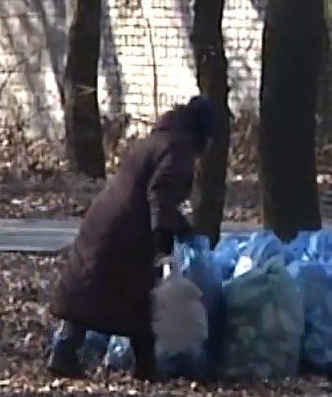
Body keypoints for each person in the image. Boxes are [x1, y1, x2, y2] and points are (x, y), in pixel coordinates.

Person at [47, 96, 219, 381]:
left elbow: (147, 189)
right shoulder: (179, 149)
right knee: (139, 298)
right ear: (202, 131)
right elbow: (161, 194)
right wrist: (163, 240)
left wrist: (180, 225)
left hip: (108, 222)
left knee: (93, 293)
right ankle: (144, 367)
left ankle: (66, 353)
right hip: (127, 230)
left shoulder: (158, 139)